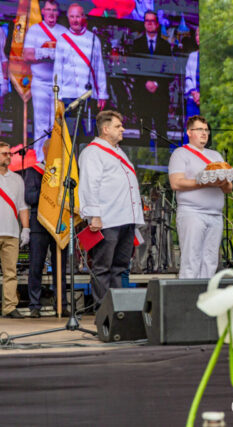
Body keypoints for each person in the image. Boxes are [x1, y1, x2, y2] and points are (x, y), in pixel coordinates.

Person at [78, 110, 144, 305]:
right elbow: (89, 185)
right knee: (103, 268)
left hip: (125, 218)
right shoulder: (93, 152)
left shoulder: (118, 151)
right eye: (118, 126)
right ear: (106, 129)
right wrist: (94, 215)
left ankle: (118, 311)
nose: (122, 129)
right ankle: (103, 311)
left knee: (120, 267)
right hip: (107, 219)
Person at [169, 115, 232, 278]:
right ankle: (188, 294)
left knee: (210, 262)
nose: (204, 133)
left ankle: (206, 293)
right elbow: (176, 183)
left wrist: (222, 182)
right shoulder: (180, 153)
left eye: (206, 130)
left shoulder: (216, 155)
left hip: (215, 214)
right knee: (191, 260)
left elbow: (229, 188)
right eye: (199, 130)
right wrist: (203, 182)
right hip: (192, 212)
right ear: (189, 132)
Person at [24, 139, 68, 318]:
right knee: (36, 265)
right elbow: (29, 197)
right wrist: (48, 189)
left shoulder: (65, 173)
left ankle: (61, 304)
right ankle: (34, 305)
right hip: (39, 223)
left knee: (60, 267)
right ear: (45, 150)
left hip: (59, 223)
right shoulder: (34, 171)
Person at [23, 0, 66, 162]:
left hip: (59, 85)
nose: (51, 13)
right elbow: (27, 55)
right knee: (41, 123)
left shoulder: (63, 31)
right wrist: (44, 53)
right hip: (40, 83)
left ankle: (55, 159)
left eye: (54, 10)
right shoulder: (35, 30)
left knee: (57, 123)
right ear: (43, 11)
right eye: (48, 9)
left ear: (58, 12)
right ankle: (40, 160)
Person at [52, 3, 107, 122]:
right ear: (68, 18)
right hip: (67, 94)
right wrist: (57, 96)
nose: (75, 20)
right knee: (68, 130)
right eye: (72, 17)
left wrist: (102, 94)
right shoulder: (62, 40)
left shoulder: (93, 39)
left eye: (77, 16)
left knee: (87, 130)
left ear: (83, 17)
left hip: (87, 94)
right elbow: (58, 70)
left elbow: (99, 69)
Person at [132, 10, 172, 144]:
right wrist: (146, 82)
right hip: (142, 94)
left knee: (162, 131)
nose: (149, 24)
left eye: (152, 21)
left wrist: (156, 83)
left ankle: (164, 155)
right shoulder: (137, 44)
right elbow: (134, 68)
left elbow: (168, 70)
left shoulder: (165, 46)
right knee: (144, 131)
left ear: (157, 24)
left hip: (160, 95)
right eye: (147, 21)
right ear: (144, 24)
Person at [0, 142, 30, 318]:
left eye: (9, 153)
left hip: (11, 232)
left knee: (10, 273)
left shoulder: (17, 179)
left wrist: (25, 229)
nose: (8, 157)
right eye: (4, 154)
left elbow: (22, 206)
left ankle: (9, 307)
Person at [184, 26, 199, 121]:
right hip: (192, 99)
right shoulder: (192, 56)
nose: (198, 37)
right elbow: (188, 76)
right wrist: (194, 93)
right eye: (197, 35)